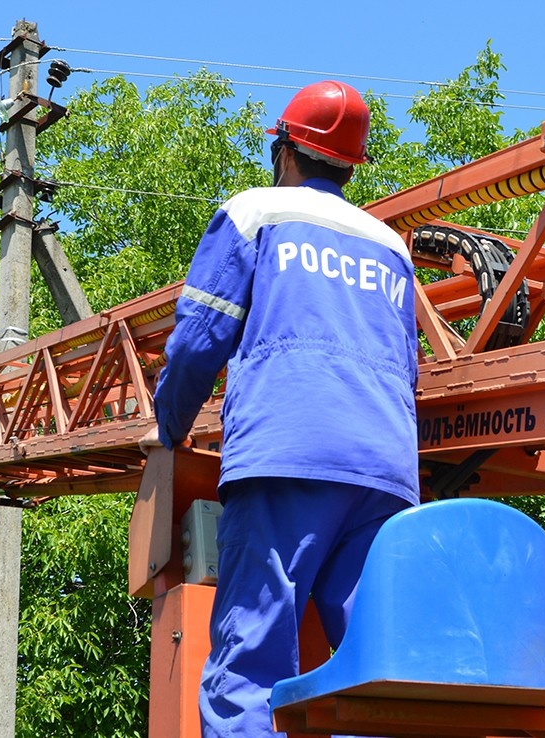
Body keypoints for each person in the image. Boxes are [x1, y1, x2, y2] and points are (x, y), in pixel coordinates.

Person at [139, 80, 420, 737]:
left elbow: (200, 339)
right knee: (369, 670)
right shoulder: (391, 246)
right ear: (352, 163)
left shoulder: (255, 212)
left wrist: (167, 426)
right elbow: (407, 368)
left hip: (287, 451)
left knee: (251, 659)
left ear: (287, 148)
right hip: (385, 470)